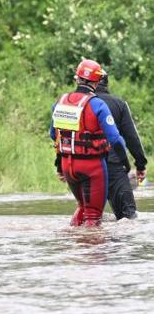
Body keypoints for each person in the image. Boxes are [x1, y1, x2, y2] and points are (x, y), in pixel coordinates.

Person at [51, 58, 126, 227]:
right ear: (98, 81)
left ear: (77, 78)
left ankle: (72, 246)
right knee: (93, 216)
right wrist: (126, 163)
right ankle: (93, 252)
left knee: (82, 207)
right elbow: (115, 139)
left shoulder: (60, 102)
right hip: (92, 168)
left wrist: (59, 166)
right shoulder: (98, 104)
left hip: (67, 165)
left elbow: (53, 135)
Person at [95, 71, 147, 220]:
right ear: (107, 83)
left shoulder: (79, 104)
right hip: (113, 165)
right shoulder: (118, 104)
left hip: (83, 165)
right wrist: (140, 164)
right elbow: (132, 138)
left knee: (89, 217)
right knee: (128, 217)